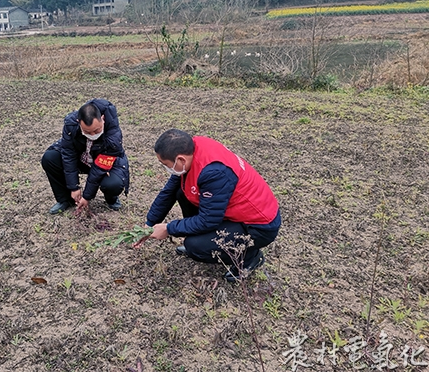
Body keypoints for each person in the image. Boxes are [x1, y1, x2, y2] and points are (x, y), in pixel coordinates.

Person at [145, 129, 281, 282]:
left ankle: (250, 257)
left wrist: (169, 229)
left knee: (194, 246)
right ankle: (206, 239)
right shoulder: (192, 147)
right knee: (181, 192)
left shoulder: (214, 172)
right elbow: (169, 191)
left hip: (258, 226)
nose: (165, 168)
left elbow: (208, 220)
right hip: (230, 211)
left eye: (165, 164)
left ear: (181, 159)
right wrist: (149, 224)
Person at [41, 99, 130, 214]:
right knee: (50, 158)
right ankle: (65, 200)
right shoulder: (71, 125)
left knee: (113, 184)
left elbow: (100, 167)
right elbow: (68, 155)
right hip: (83, 159)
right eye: (87, 132)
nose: (93, 135)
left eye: (97, 130)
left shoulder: (113, 134)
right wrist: (74, 187)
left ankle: (111, 198)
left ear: (102, 119)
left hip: (105, 164)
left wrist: (87, 196)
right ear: (79, 122)